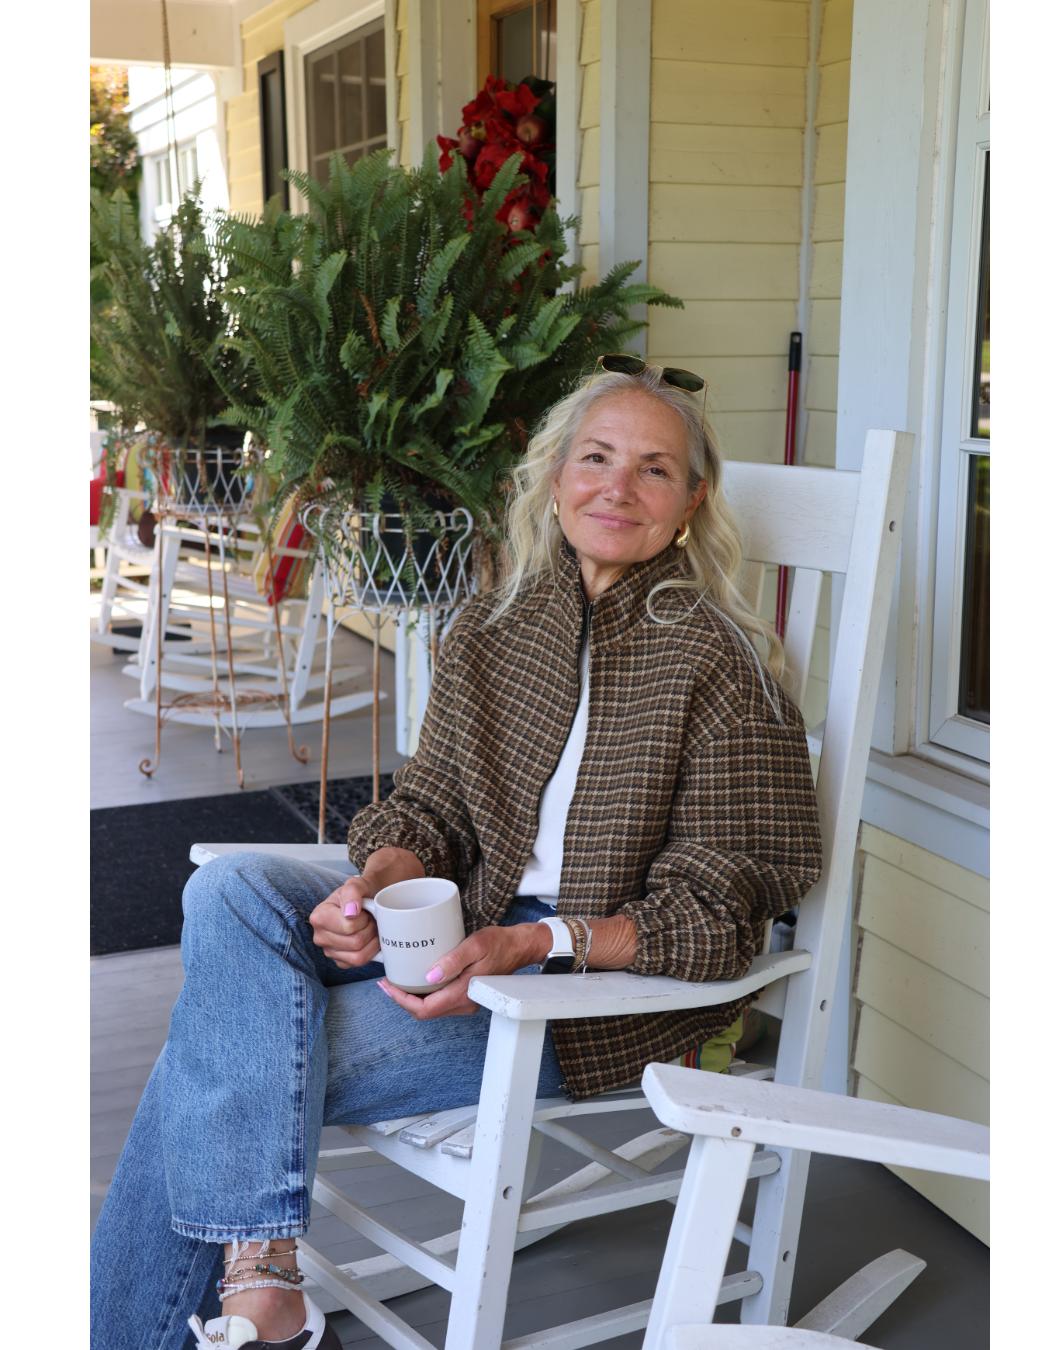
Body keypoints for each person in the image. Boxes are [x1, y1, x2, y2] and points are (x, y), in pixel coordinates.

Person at [90, 359, 823, 1350]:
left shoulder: (720, 663)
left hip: (579, 996)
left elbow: (724, 913)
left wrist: (535, 947)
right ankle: (264, 1295)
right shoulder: (492, 623)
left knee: (213, 1061)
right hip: (458, 927)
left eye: (654, 470)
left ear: (691, 503)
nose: (617, 485)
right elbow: (429, 807)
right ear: (555, 476)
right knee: (231, 889)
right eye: (597, 457)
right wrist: (379, 878)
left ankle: (250, 1300)